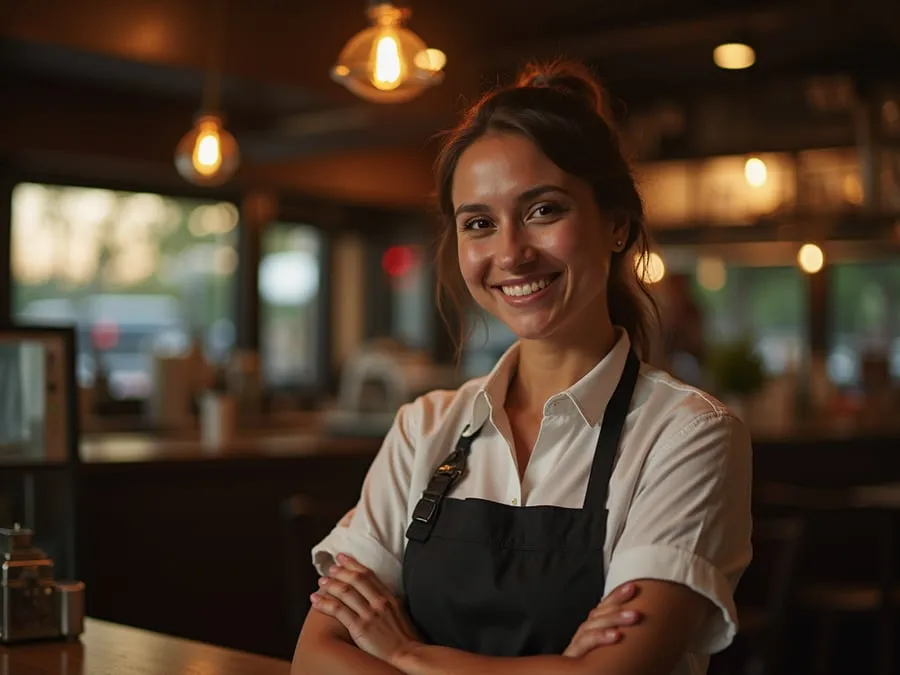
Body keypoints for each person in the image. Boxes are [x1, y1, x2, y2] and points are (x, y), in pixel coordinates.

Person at [292, 59, 753, 675]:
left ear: (616, 225)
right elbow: (317, 658)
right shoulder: (423, 429)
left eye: (544, 211)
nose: (510, 252)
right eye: (479, 223)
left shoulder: (687, 435)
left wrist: (406, 653)